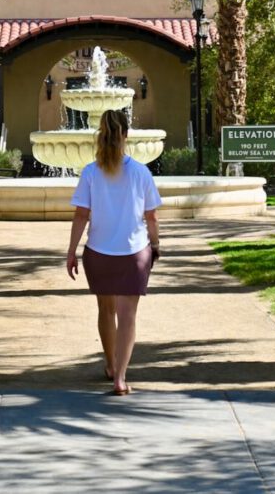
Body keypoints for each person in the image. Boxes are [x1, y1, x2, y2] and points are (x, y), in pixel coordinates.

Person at [66, 108, 162, 395]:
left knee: (106, 311)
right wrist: (156, 246)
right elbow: (152, 217)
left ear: (102, 135)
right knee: (128, 315)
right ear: (127, 135)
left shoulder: (91, 172)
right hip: (134, 253)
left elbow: (81, 215)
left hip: (98, 252)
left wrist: (71, 252)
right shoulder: (140, 172)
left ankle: (110, 364)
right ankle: (120, 377)